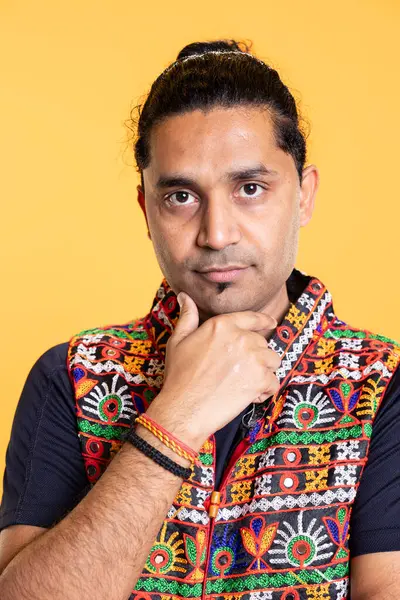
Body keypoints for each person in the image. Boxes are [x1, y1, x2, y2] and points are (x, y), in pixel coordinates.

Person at [0, 39, 399, 600]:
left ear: (304, 196)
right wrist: (176, 419)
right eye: (182, 197)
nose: (216, 233)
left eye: (251, 189)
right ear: (146, 211)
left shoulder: (382, 384)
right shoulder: (69, 376)